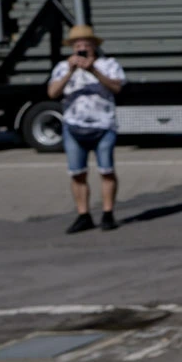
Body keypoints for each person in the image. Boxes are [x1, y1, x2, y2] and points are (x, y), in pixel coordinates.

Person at [47, 23, 125, 233]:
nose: (81, 47)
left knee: (106, 171)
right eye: (76, 44)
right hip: (74, 126)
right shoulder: (63, 67)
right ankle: (84, 215)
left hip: (103, 125)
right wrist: (70, 72)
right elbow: (52, 93)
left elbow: (117, 87)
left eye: (85, 43)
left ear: (93, 45)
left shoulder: (108, 64)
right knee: (77, 173)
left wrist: (93, 70)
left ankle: (108, 214)